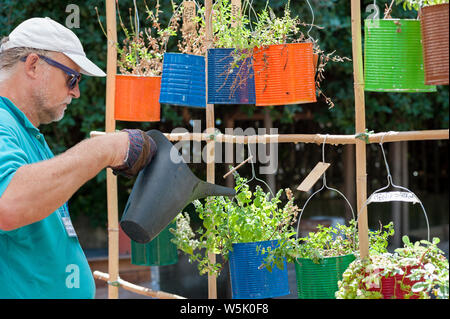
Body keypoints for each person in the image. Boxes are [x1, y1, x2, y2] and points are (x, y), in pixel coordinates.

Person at [0, 17, 156, 298]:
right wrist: (104, 149)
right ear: (33, 65)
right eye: (71, 78)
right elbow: (7, 204)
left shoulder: (26, 133)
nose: (76, 91)